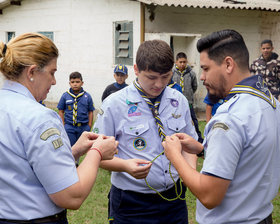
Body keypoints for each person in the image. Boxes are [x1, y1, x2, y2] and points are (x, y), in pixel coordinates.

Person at [162, 29, 280, 224]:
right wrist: (202, 149)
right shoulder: (269, 101)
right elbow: (251, 157)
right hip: (261, 216)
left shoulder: (229, 118)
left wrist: (174, 155)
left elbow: (209, 196)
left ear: (228, 64)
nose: (201, 77)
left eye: (206, 68)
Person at [0, 32, 118, 224]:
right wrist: (96, 152)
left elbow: (27, 168)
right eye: (52, 72)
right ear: (31, 72)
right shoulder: (39, 118)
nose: (54, 81)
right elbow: (71, 196)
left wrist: (74, 151)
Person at [93, 39, 198, 224]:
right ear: (136, 69)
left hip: (174, 199)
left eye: (165, 76)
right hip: (131, 202)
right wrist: (125, 166)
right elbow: (96, 155)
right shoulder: (114, 104)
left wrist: (189, 174)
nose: (159, 84)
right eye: (151, 77)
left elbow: (190, 146)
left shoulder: (178, 100)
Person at [57, 72, 95, 165]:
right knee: (71, 147)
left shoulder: (87, 96)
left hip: (83, 127)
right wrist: (63, 124)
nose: (75, 84)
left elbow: (90, 111)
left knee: (82, 148)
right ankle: (70, 164)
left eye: (77, 82)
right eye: (73, 82)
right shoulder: (65, 96)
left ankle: (77, 163)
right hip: (70, 126)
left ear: (82, 83)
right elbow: (61, 110)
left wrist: (89, 125)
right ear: (69, 83)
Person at [172, 52, 204, 143]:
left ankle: (198, 138)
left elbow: (194, 86)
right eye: (180, 62)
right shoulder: (172, 73)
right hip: (175, 103)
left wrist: (188, 95)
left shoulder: (191, 74)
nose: (182, 64)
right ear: (176, 62)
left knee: (193, 120)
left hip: (188, 102)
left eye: (184, 62)